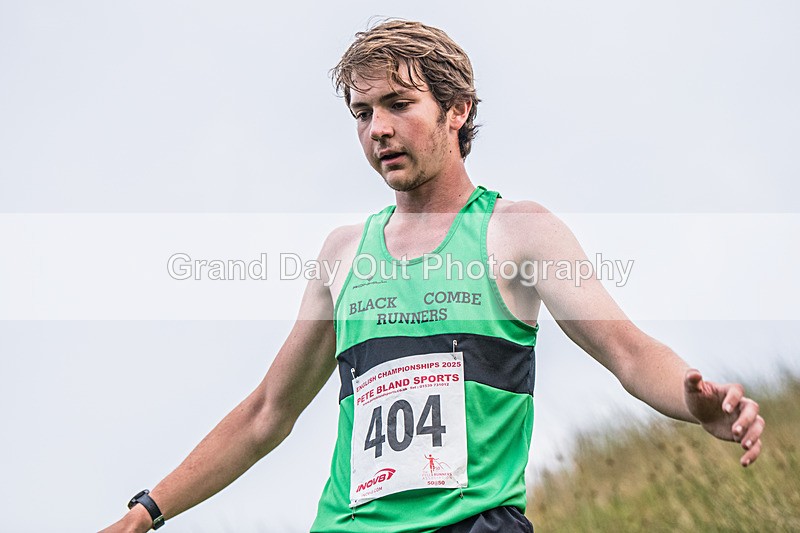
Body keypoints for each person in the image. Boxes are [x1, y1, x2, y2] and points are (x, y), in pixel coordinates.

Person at [101, 19, 765, 533]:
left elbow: (625, 347)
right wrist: (149, 508)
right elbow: (264, 414)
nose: (378, 129)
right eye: (363, 114)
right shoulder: (341, 255)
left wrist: (692, 397)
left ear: (457, 110)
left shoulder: (518, 230)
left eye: (398, 103)